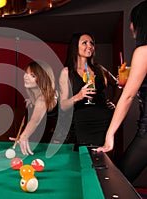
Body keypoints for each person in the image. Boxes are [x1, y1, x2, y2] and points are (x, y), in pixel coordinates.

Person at [96, 0, 147, 184]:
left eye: (132, 21)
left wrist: (109, 136)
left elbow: (127, 96)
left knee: (117, 182)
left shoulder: (143, 51)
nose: (131, 26)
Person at [59, 32, 121, 146]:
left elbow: (119, 85)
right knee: (85, 157)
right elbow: (63, 105)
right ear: (75, 47)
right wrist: (79, 96)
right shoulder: (67, 72)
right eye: (84, 43)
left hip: (104, 121)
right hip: (82, 123)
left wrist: (114, 101)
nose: (90, 46)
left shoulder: (99, 69)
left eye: (91, 43)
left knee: (103, 158)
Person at [10, 61, 57, 155]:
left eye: (32, 75)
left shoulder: (43, 99)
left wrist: (24, 136)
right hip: (43, 145)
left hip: (57, 146)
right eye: (26, 73)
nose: (26, 77)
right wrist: (22, 137)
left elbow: (35, 121)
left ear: (43, 79)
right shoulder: (33, 100)